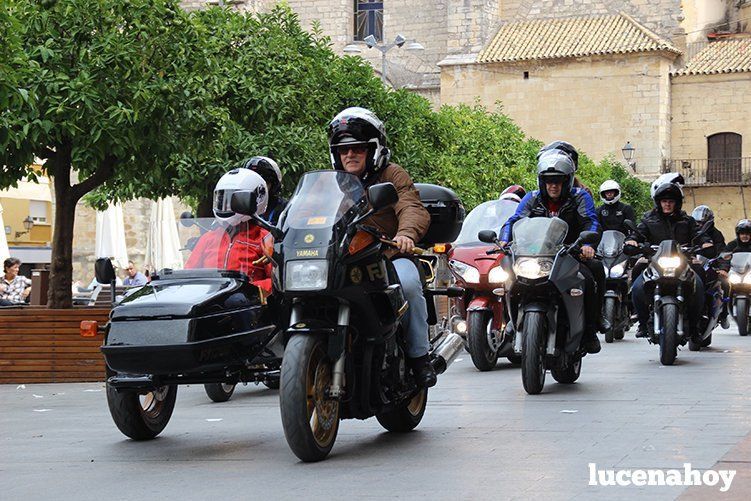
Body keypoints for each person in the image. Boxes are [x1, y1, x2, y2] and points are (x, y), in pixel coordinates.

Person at [327, 106, 436, 387]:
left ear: (373, 149)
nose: (349, 155)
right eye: (343, 150)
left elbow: (410, 206)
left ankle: (418, 358)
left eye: (358, 148)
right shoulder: (331, 184)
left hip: (388, 255)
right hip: (346, 260)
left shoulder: (392, 174)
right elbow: (307, 213)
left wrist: (407, 234)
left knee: (409, 284)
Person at [499, 148, 605, 354]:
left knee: (593, 273)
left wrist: (587, 245)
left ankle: (591, 327)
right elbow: (514, 221)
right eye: (548, 180)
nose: (553, 185)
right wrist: (504, 241)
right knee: (506, 277)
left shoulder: (580, 197)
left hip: (570, 253)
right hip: (534, 255)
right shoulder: (532, 198)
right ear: (541, 181)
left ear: (567, 181)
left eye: (558, 180)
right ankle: (510, 321)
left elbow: (590, 222)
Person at [625, 183, 710, 338]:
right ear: (659, 202)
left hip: (683, 262)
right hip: (654, 262)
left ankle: (695, 323)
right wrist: (632, 240)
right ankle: (642, 322)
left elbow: (699, 234)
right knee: (637, 286)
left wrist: (705, 241)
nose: (667, 204)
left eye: (671, 201)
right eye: (664, 201)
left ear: (677, 203)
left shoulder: (687, 220)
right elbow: (637, 233)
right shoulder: (648, 220)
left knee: (699, 281)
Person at [184, 168, 272, 294]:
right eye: (222, 199)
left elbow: (275, 281)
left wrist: (246, 290)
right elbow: (189, 273)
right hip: (209, 302)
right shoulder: (209, 238)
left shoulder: (265, 239)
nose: (226, 205)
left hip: (246, 307)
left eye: (234, 200)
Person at [241, 156, 287, 226]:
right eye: (251, 182)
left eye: (263, 183)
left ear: (273, 184)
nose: (256, 188)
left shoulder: (284, 208)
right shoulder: (239, 206)